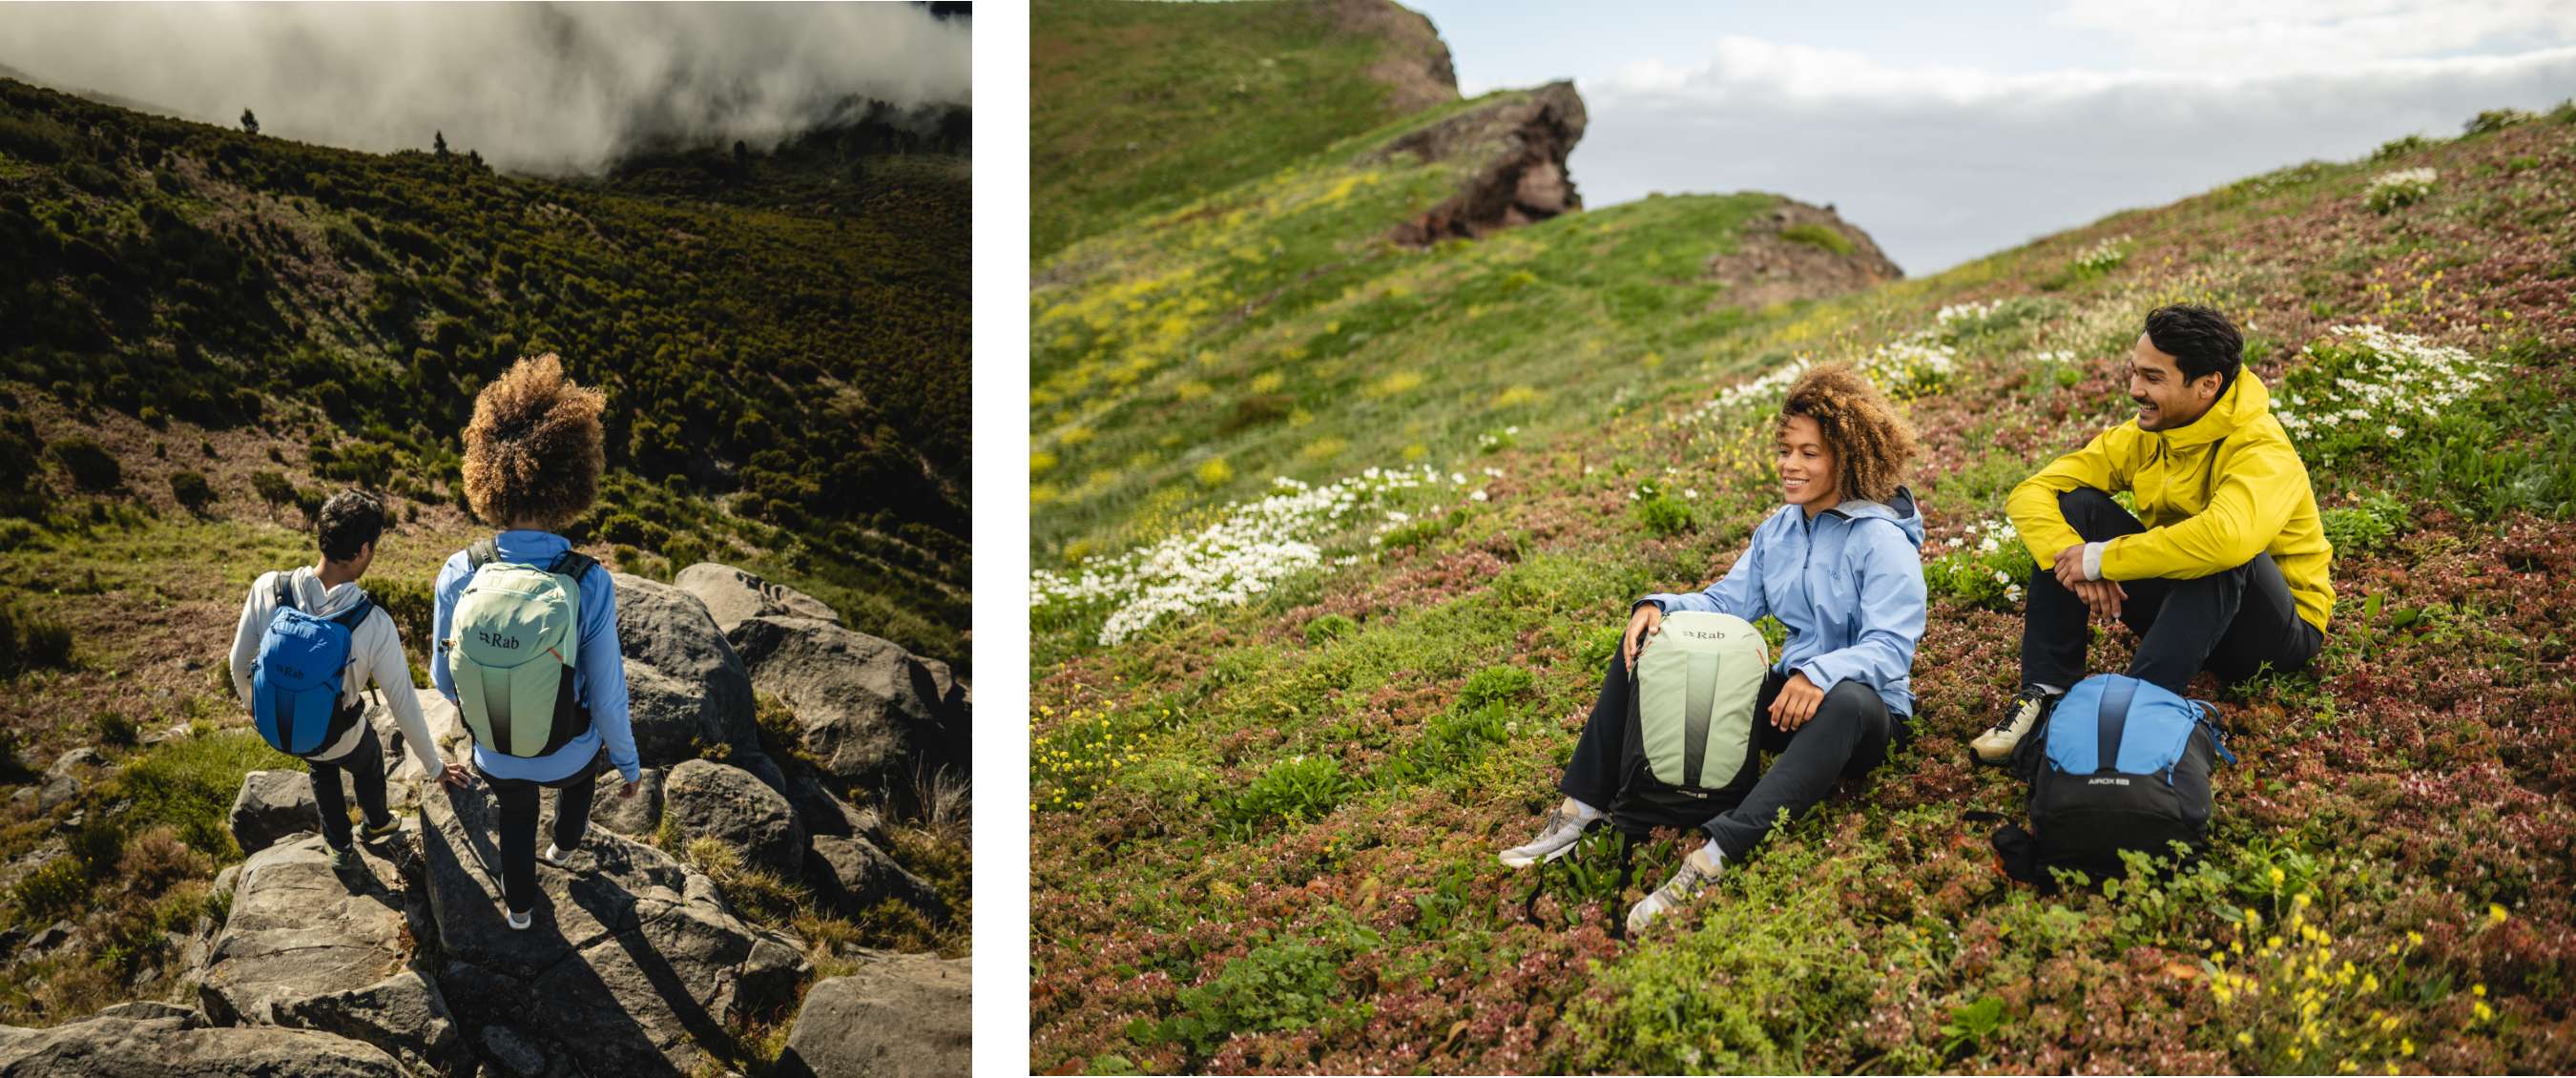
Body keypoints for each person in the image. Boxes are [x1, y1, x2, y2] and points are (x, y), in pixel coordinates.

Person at [1498, 363, 1928, 932]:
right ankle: (1581, 809)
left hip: (1866, 716)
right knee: (1648, 642)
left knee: (1848, 699)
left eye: (1810, 453)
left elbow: (1890, 649)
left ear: (1847, 457)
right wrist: (1661, 607)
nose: (1790, 466)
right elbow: (1729, 604)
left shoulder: (1882, 541)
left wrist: (1821, 674)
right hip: (1790, 703)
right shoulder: (1779, 529)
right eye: (1786, 450)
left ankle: (1714, 857)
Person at [1971, 304, 2332, 765]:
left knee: (2221, 550)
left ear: (2207, 385)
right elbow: (2032, 491)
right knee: (2075, 506)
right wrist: (2077, 561)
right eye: (2135, 373)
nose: (2135, 389)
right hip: (2189, 611)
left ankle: (2134, 712)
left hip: (2273, 634)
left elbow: (2226, 540)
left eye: (2153, 378)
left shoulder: (2261, 447)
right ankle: (2045, 694)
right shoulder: (2149, 435)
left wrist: (2102, 560)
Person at [432, 354, 641, 931]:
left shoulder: (458, 571)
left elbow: (442, 677)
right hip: (568, 754)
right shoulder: (587, 580)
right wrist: (626, 764)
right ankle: (567, 848)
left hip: (495, 752)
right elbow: (605, 693)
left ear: (485, 470)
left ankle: (520, 913)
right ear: (573, 479)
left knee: (515, 815)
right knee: (582, 763)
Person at [230, 489, 470, 872]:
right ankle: (376, 823)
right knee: (369, 759)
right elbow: (403, 703)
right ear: (362, 550)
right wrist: (435, 767)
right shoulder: (373, 622)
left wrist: (256, 709)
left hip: (284, 727)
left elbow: (238, 663)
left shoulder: (268, 588)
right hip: (339, 734)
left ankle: (338, 844)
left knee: (320, 766)